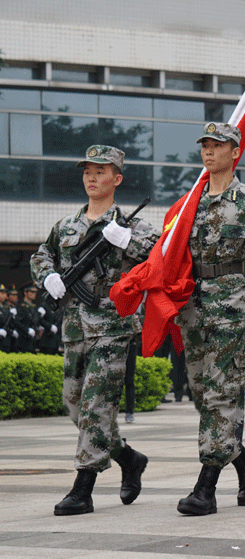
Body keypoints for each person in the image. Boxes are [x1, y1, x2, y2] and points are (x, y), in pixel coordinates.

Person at [30, 144, 160, 516]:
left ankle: (83, 488)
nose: (92, 177)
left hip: (113, 323)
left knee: (96, 404)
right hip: (75, 324)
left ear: (116, 178)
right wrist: (49, 276)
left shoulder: (132, 225)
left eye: (100, 171)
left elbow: (160, 260)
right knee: (74, 404)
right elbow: (42, 255)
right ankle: (129, 458)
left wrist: (128, 241)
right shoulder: (66, 226)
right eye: (88, 171)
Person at [174, 122, 245, 516]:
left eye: (217, 145)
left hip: (230, 303)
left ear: (235, 152)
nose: (208, 151)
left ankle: (205, 487)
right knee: (202, 394)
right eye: (204, 145)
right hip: (192, 304)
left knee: (222, 394)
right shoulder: (189, 202)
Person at [13, 283, 39, 353]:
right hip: (23, 341)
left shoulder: (34, 307)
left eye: (35, 292)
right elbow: (17, 322)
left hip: (32, 341)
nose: (34, 294)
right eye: (32, 292)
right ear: (25, 293)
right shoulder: (22, 307)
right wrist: (27, 330)